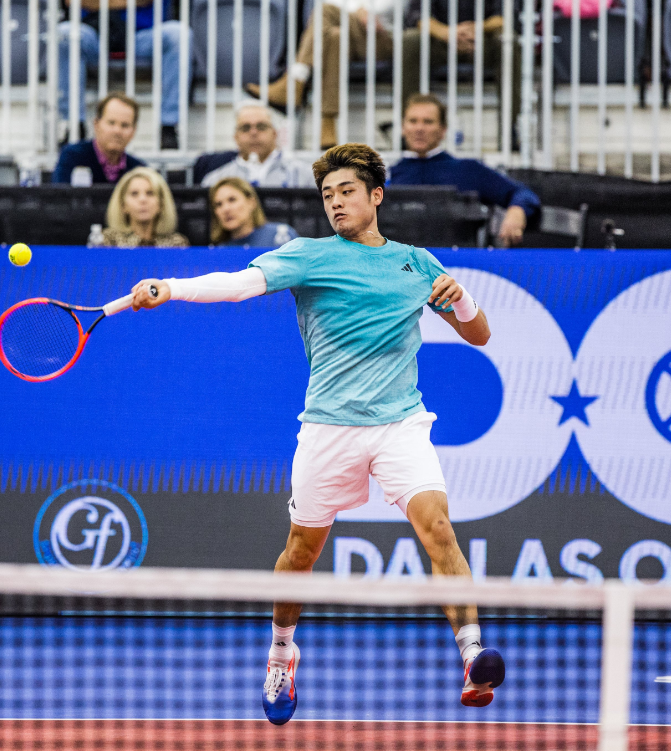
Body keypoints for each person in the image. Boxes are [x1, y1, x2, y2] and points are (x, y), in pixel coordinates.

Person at [126, 143, 505, 724]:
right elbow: (236, 284)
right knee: (301, 550)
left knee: (439, 528)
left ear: (376, 196)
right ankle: (281, 651)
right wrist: (170, 288)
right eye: (327, 195)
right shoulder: (308, 255)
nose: (335, 203)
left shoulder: (417, 263)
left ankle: (473, 654)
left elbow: (479, 335)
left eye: (346, 192)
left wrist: (464, 298)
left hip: (401, 423)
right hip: (329, 429)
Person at [391, 93, 539, 247]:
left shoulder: (468, 171)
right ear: (403, 127)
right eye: (413, 121)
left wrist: (517, 210)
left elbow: (521, 193)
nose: (419, 128)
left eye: (428, 122)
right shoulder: (385, 176)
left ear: (443, 130)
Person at [246, 0, 397, 149]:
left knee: (324, 11)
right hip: (349, 37)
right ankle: (327, 122)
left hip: (384, 41)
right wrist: (358, 9)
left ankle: (295, 80)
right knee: (334, 37)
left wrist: (368, 9)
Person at [56, 0, 193, 150]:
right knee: (64, 34)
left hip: (141, 35)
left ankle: (169, 126)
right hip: (94, 33)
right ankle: (74, 126)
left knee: (178, 34)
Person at [401, 0, 519, 148]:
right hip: (439, 40)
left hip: (482, 40)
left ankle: (510, 129)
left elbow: (505, 16)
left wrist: (474, 29)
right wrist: (448, 33)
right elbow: (417, 17)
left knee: (508, 41)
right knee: (410, 40)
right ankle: (408, 130)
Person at [200, 104, 314, 188]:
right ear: (236, 137)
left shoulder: (305, 176)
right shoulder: (215, 181)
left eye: (261, 127)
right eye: (245, 128)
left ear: (274, 133)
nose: (253, 133)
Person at [52, 94, 146, 185]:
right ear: (96, 124)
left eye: (125, 125)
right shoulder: (72, 158)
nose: (117, 131)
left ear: (134, 131)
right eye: (111, 123)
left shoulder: (139, 171)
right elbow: (60, 198)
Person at [96, 166, 189, 247]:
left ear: (161, 204)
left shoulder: (176, 243)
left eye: (150, 193)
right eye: (134, 194)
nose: (143, 200)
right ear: (123, 205)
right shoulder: (108, 241)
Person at [210, 177, 298, 248]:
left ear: (251, 202)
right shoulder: (218, 250)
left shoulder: (282, 235)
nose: (225, 209)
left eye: (232, 200)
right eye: (218, 204)